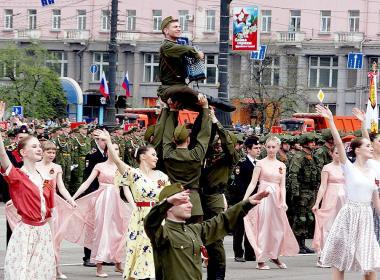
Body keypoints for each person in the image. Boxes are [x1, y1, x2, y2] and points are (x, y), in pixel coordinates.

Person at [144, 184, 270, 280]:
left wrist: (246, 204)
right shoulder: (162, 234)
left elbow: (222, 220)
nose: (190, 205)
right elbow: (150, 222)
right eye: (184, 202)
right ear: (169, 208)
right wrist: (166, 202)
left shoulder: (194, 230)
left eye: (189, 201)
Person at [94, 129, 170, 280]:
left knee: (155, 249)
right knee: (139, 249)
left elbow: (170, 198)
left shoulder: (162, 176)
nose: (156, 158)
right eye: (153, 155)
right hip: (140, 216)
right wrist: (108, 142)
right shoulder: (133, 174)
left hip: (158, 216)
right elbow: (117, 160)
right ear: (143, 156)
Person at [316, 104, 380, 280]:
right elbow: (338, 142)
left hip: (366, 216)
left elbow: (376, 201)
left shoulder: (373, 170)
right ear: (357, 150)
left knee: (368, 261)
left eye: (371, 145)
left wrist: (364, 123)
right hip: (349, 214)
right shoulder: (349, 168)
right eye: (367, 146)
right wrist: (330, 120)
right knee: (340, 259)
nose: (371, 147)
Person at [0, 101, 55, 280]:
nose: (39, 149)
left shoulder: (45, 177)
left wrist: (50, 237)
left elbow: (49, 212)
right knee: (22, 273)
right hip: (27, 232)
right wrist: (1, 122)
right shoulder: (17, 176)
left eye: (39, 146)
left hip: (43, 232)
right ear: (22, 153)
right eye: (34, 146)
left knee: (41, 273)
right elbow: (2, 155)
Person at [72, 141, 132, 278]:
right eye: (112, 148)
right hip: (102, 201)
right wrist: (73, 198)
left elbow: (127, 189)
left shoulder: (121, 168)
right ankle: (99, 266)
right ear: (106, 151)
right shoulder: (100, 166)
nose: (114, 151)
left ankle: (118, 264)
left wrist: (133, 205)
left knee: (119, 231)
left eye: (117, 149)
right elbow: (87, 183)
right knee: (101, 231)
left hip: (117, 202)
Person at [243, 136, 299, 270]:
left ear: (278, 148)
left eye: (273, 147)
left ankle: (274, 256)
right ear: (265, 147)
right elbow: (252, 183)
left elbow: (282, 186)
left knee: (278, 229)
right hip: (263, 197)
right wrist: (245, 200)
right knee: (263, 228)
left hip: (277, 199)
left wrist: (284, 201)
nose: (271, 149)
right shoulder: (260, 163)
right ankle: (261, 259)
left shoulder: (282, 165)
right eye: (268, 147)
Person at [158, 16, 235, 112]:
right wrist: (196, 53)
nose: (179, 29)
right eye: (175, 27)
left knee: (206, 110)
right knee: (185, 90)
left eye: (179, 26)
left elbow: (185, 52)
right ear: (166, 31)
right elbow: (187, 49)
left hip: (179, 88)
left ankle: (207, 112)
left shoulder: (178, 46)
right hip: (168, 88)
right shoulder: (166, 46)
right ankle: (216, 101)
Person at [200, 110, 240, 280]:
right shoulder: (207, 155)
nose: (217, 143)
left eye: (219, 141)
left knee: (215, 240)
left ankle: (218, 276)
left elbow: (227, 144)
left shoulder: (230, 157)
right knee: (201, 239)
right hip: (199, 197)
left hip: (214, 198)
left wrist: (216, 122)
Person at [162, 95, 211, 223]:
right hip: (193, 203)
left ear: (174, 140)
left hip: (174, 201)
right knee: (195, 238)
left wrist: (172, 110)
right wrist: (205, 108)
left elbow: (166, 134)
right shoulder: (196, 155)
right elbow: (204, 135)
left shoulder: (168, 154)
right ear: (188, 140)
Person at [312, 146, 345, 267]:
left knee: (342, 227)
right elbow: (322, 186)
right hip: (330, 198)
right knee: (327, 226)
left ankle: (338, 255)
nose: (338, 155)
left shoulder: (346, 167)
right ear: (332, 154)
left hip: (344, 199)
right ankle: (324, 255)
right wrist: (317, 203)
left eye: (340, 153)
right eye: (336, 153)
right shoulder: (327, 168)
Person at [352, 107, 380, 245]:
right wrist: (363, 122)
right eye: (379, 141)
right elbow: (365, 137)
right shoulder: (369, 158)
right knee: (373, 225)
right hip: (372, 193)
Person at [287, 132, 318, 254]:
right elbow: (293, 175)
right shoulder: (299, 157)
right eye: (311, 142)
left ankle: (303, 244)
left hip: (310, 191)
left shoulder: (312, 156)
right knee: (301, 218)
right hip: (302, 191)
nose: (314, 144)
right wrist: (295, 192)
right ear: (305, 144)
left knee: (309, 218)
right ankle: (297, 244)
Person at [231, 136, 259, 262]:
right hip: (242, 198)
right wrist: (244, 199)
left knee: (251, 227)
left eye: (259, 147)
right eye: (255, 148)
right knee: (240, 227)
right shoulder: (242, 163)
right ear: (248, 149)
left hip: (255, 200)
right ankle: (238, 253)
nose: (258, 150)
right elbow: (238, 183)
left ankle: (250, 253)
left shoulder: (258, 163)